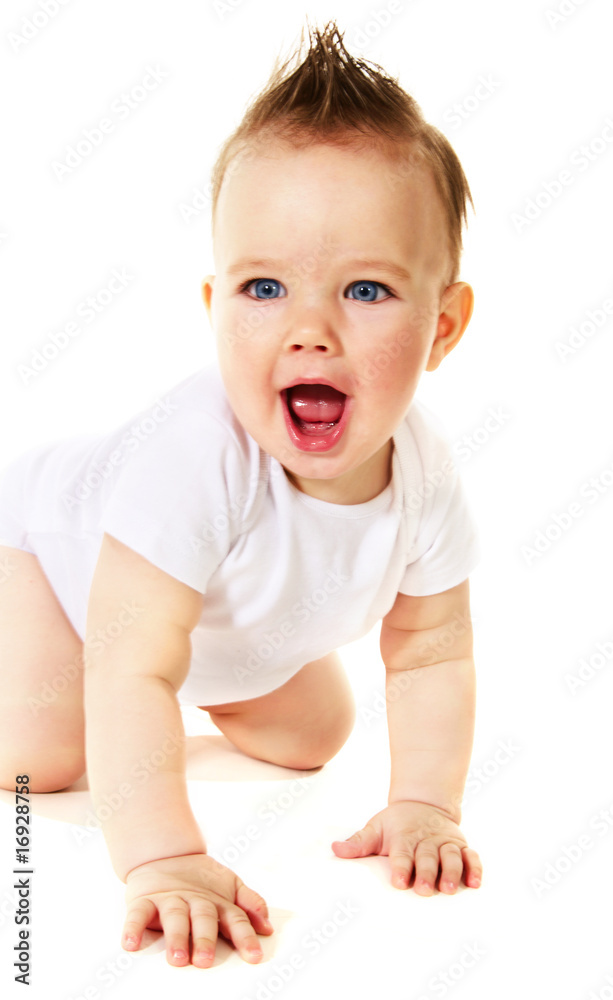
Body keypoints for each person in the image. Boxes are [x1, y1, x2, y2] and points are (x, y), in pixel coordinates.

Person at [0, 20, 483, 969]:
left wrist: (425, 804)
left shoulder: (425, 472)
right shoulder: (192, 460)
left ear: (442, 326)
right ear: (215, 308)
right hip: (52, 564)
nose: (309, 330)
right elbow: (130, 663)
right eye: (264, 288)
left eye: (365, 291)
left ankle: (191, 688)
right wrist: (164, 858)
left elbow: (431, 649)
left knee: (315, 736)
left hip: (206, 628)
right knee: (41, 758)